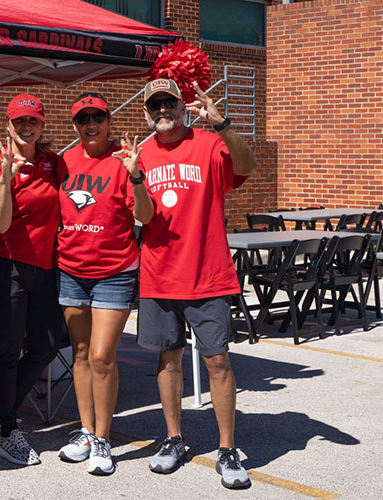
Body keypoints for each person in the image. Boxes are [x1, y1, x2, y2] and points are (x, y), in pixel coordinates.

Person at [131, 79, 257, 489]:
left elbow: (247, 167)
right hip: (159, 275)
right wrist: (133, 178)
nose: (163, 110)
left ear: (183, 107)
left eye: (170, 102)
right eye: (156, 105)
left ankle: (227, 449)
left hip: (208, 274)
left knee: (217, 361)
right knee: (167, 360)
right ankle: (173, 439)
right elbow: (145, 217)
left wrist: (224, 124)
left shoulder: (208, 142)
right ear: (146, 113)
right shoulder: (141, 155)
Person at [55, 93, 140, 476]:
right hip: (70, 269)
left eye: (98, 118)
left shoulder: (124, 160)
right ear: (75, 125)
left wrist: (137, 174)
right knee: (82, 354)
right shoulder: (64, 162)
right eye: (83, 119)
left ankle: (103, 440)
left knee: (103, 357)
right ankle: (86, 431)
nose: (91, 125)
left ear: (108, 120)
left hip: (113, 271)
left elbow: (146, 214)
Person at [0, 94, 63, 465]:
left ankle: (0, 411)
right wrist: (7, 180)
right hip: (5, 266)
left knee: (45, 347)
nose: (26, 127)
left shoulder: (54, 164)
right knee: (8, 350)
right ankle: (8, 432)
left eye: (33, 121)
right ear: (8, 125)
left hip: (44, 268)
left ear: (42, 125)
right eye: (19, 122)